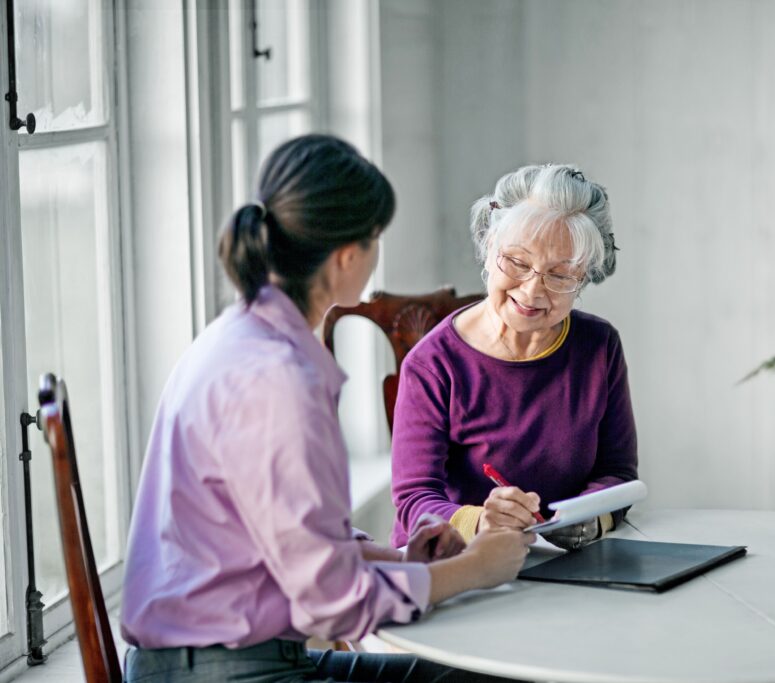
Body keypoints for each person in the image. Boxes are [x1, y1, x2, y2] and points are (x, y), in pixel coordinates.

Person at [120, 134, 532, 682]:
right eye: (376, 237)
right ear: (346, 257)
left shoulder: (239, 336)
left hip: (219, 658)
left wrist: (399, 560)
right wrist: (475, 569)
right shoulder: (279, 382)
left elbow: (292, 545)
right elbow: (332, 605)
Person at [390, 164, 638, 552]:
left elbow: (618, 473)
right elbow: (413, 499)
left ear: (584, 278)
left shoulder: (599, 346)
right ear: (489, 249)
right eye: (518, 263)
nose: (533, 290)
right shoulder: (433, 364)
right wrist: (480, 522)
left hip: (562, 564)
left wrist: (591, 519)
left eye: (560, 275)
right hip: (458, 562)